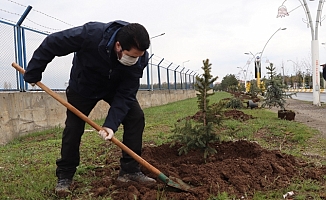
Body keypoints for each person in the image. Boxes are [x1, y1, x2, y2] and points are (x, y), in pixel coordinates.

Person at [23, 20, 156, 195]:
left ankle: (130, 171)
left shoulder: (139, 60)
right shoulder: (91, 35)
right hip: (84, 86)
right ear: (118, 45)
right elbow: (53, 43)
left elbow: (126, 94)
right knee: (74, 127)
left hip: (115, 88)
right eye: (131, 56)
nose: (135, 60)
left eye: (138, 56)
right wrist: (34, 71)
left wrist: (110, 125)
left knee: (135, 117)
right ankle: (65, 175)